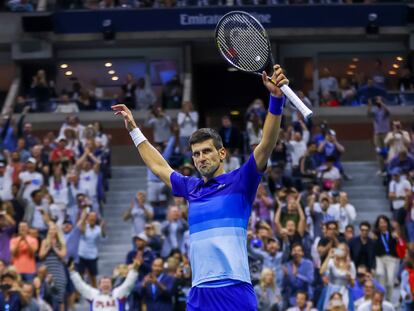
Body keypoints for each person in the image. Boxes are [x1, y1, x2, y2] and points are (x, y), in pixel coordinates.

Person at [113, 65, 288, 310]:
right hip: (199, 293)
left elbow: (267, 143)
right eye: (196, 154)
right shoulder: (190, 188)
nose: (201, 157)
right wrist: (133, 129)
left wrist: (276, 99)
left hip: (234, 289)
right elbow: (158, 166)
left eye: (207, 151)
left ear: (222, 153)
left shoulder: (242, 180)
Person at [70, 258, 141, 310]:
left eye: (107, 283)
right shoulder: (93, 294)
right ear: (99, 286)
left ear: (111, 285)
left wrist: (134, 271)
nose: (105, 285)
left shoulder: (118, 293)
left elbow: (128, 284)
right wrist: (72, 272)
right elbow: (81, 286)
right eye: (103, 283)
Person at [38, 222, 67, 311]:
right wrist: (48, 247)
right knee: (48, 296)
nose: (52, 231)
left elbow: (63, 255)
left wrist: (54, 247)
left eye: (54, 229)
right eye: (50, 229)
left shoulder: (61, 242)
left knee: (60, 298)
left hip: (59, 272)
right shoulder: (44, 242)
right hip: (48, 272)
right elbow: (41, 255)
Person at [373, 215, 399, 302]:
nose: (383, 224)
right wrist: (373, 239)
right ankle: (380, 299)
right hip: (379, 258)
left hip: (391, 259)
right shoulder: (375, 234)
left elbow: (400, 246)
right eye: (381, 223)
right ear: (378, 224)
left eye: (384, 222)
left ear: (387, 223)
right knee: (380, 275)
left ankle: (388, 299)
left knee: (390, 280)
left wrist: (397, 238)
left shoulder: (393, 234)